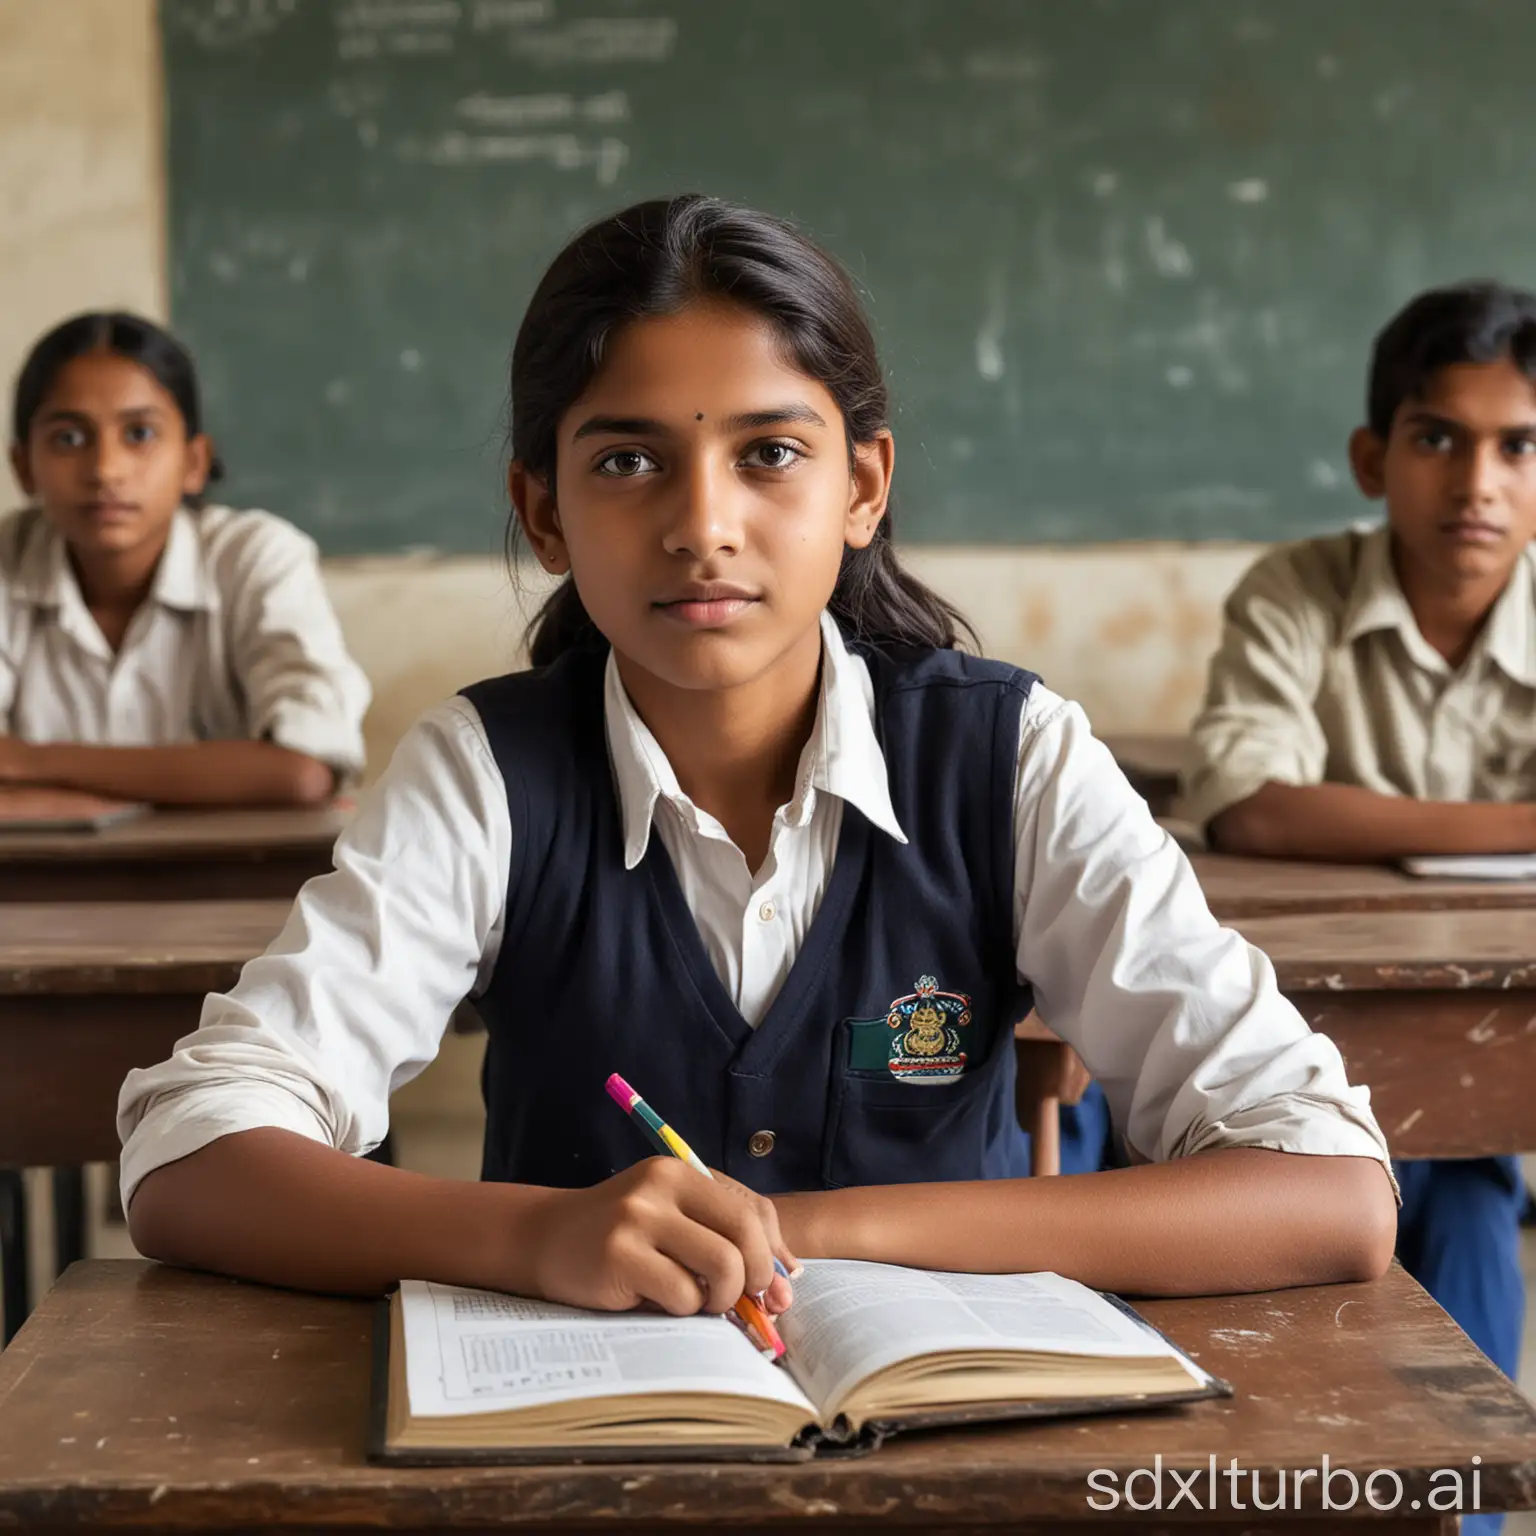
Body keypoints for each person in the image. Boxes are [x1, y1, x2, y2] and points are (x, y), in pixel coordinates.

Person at [119, 196, 1394, 1323]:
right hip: (595, 1454)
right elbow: (188, 1156)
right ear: (543, 512)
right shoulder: (487, 772)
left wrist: (814, 1230)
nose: (702, 526)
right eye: (629, 461)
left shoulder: (1009, 757)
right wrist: (534, 1232)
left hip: (963, 1448)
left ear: (863, 485)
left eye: (769, 454)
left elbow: (1329, 1195)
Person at [1182, 280, 1536, 1529]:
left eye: (1518, 446)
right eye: (1438, 439)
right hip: (1305, 1030)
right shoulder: (1298, 591)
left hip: (1479, 1069)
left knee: (1471, 1194)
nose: (1476, 483)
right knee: (1381, 1201)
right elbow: (1249, 802)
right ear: (1374, 457)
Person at [1, 312, 369, 804]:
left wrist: (29, 760)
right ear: (24, 467)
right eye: (69, 438)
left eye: (139, 434)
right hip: (37, 882)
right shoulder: (8, 561)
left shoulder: (255, 558)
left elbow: (304, 770)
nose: (105, 470)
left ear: (194, 462)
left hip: (236, 881)